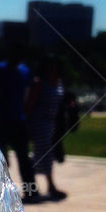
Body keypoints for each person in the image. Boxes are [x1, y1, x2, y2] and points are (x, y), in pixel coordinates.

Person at [0, 45, 39, 203]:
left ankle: (30, 192)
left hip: (18, 120)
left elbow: (31, 90)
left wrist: (28, 110)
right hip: (1, 120)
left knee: (24, 157)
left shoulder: (24, 71)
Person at [26, 56, 67, 201]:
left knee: (43, 154)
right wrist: (27, 123)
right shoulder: (40, 83)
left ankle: (34, 180)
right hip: (40, 122)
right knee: (45, 154)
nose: (52, 69)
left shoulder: (58, 82)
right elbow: (30, 104)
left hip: (52, 122)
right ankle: (48, 186)